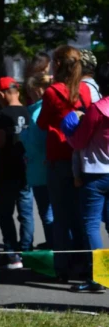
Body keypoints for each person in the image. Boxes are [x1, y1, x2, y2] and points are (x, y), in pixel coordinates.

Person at [37, 45, 91, 281]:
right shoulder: (85, 91)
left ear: (58, 64)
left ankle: (62, 267)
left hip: (58, 157)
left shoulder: (52, 92)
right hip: (80, 157)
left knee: (60, 215)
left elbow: (42, 123)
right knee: (80, 215)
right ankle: (84, 264)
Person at [60, 62, 109, 292]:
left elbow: (78, 141)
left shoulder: (98, 109)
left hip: (95, 174)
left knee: (91, 226)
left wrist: (70, 127)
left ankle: (100, 278)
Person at [0, 77, 32, 269]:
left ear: (1, 94)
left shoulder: (2, 114)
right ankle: (27, 250)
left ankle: (12, 252)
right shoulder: (28, 111)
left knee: (5, 213)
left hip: (7, 170)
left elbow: (0, 140)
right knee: (26, 213)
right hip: (25, 169)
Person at [19, 73, 54, 250]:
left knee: (48, 215)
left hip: (40, 170)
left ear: (38, 90)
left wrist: (23, 135)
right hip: (44, 168)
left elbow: (36, 143)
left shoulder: (36, 113)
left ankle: (55, 251)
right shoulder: (43, 110)